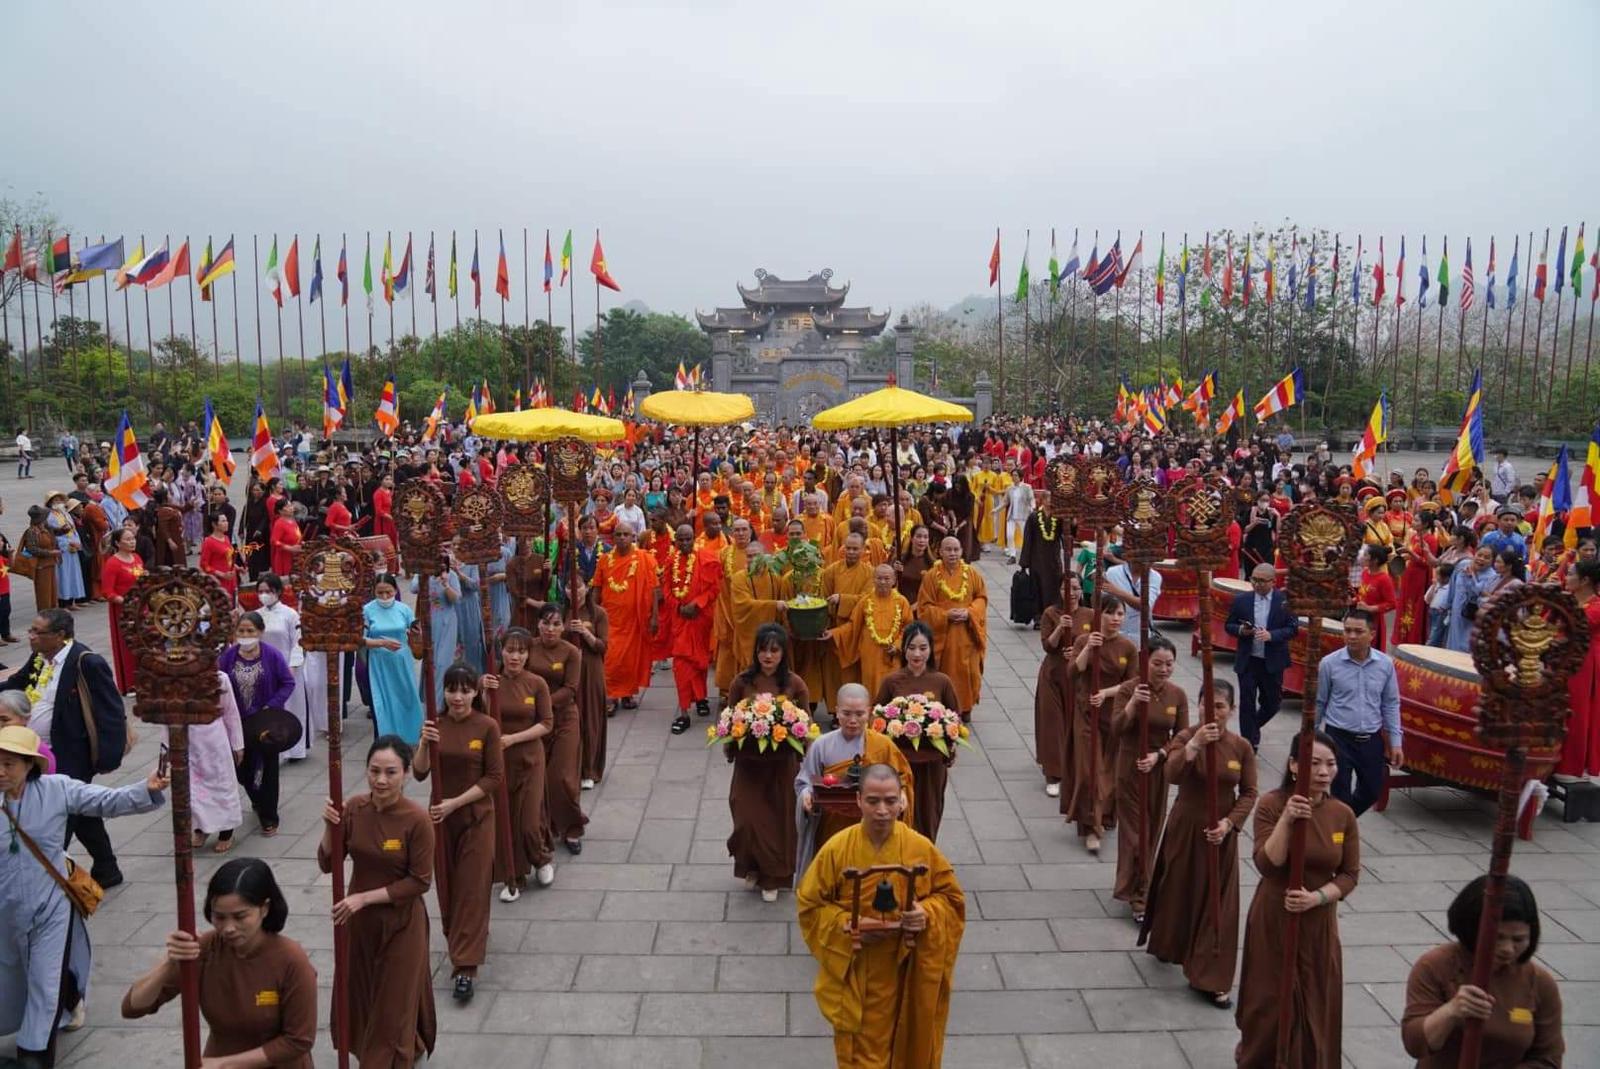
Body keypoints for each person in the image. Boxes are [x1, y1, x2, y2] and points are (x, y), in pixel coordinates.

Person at [1, 725, 168, 1067]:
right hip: (5, 912)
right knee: (11, 977)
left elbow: (106, 801)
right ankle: (66, 1000)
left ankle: (33, 1054)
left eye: (8, 764)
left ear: (30, 765)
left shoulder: (57, 789)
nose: (1, 771)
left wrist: (146, 789)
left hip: (50, 908)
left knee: (45, 981)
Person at [796, 762, 966, 1068]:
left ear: (902, 801)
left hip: (907, 972)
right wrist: (847, 924)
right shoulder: (838, 849)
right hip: (859, 971)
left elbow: (951, 899)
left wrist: (926, 913)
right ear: (858, 800)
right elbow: (810, 904)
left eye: (890, 801)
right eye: (873, 801)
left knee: (909, 1045)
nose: (882, 810)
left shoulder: (919, 848)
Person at [1234, 730, 1360, 1069]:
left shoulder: (1342, 815)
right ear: (1293, 765)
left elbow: (1349, 875)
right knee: (1270, 999)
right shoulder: (1272, 805)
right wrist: (1288, 820)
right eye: (1314, 763)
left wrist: (1316, 898)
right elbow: (1266, 863)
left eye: (1330, 764)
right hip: (1275, 916)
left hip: (1318, 923)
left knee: (1316, 1000)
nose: (1323, 771)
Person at [121, 858, 317, 1068]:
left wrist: (223, 1065)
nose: (229, 928)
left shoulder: (291, 960)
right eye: (220, 917)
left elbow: (298, 1040)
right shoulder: (205, 949)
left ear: (264, 909)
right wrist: (169, 964)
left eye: (240, 916)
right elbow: (133, 1008)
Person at [1139, 679, 1258, 1008]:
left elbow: (1249, 792)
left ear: (1231, 710)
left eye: (1220, 706)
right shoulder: (1185, 737)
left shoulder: (1241, 747)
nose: (1213, 712)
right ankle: (1170, 942)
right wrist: (1193, 746)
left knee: (1219, 905)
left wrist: (1229, 823)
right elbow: (1171, 775)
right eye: (1207, 704)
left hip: (1220, 835)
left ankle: (1210, 976)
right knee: (1177, 888)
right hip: (1186, 827)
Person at [318, 736, 437, 1065]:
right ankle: (402, 1046)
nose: (381, 780)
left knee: (392, 1005)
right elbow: (328, 863)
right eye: (374, 771)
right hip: (359, 924)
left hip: (402, 924)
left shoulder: (417, 820)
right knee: (363, 995)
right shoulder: (355, 808)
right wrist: (329, 828)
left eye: (390, 772)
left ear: (406, 773)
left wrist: (364, 898)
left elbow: (419, 881)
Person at [0, 609, 130, 886]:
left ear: (60, 636)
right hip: (41, 750)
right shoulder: (40, 658)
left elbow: (111, 712)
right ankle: (107, 868)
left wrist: (107, 758)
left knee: (59, 817)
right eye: (31, 630)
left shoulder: (87, 662)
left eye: (38, 632)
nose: (31, 636)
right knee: (79, 810)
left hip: (73, 753)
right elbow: (17, 683)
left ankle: (50, 878)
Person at [1401, 875, 1563, 1067]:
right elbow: (1415, 1044)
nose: (1507, 949)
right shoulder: (1435, 966)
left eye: (1518, 939)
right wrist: (1450, 1012)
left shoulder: (1539, 982)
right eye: (1498, 937)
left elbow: (1548, 1059)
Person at [414, 663, 504, 1004]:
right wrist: (423, 743)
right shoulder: (435, 725)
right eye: (452, 689)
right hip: (441, 821)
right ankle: (462, 937)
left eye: (465, 690)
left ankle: (465, 967)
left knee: (471, 887)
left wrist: (455, 803)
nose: (458, 697)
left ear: (475, 693)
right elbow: (419, 772)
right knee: (448, 887)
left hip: (476, 818)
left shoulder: (487, 726)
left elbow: (493, 778)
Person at [793, 683, 914, 879]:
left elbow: (902, 777)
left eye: (859, 714)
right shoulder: (821, 745)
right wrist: (806, 794)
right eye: (846, 713)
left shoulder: (882, 745)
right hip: (831, 825)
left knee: (871, 876)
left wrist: (901, 793)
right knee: (834, 872)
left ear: (869, 712)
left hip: (873, 824)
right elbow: (805, 781)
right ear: (837, 711)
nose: (853, 720)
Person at [725, 623, 810, 902]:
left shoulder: (795, 684)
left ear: (784, 653)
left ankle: (772, 876)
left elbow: (806, 725)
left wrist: (804, 756)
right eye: (763, 650)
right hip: (749, 765)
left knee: (777, 822)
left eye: (774, 650)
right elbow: (728, 718)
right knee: (746, 817)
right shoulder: (741, 682)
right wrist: (731, 743)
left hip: (781, 766)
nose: (768, 656)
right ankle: (750, 864)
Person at [1109, 635, 1189, 922]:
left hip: (1158, 769)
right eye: (1157, 663)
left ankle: (1139, 885)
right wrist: (1132, 704)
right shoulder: (1129, 689)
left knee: (1152, 831)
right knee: (1136, 836)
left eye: (1169, 664)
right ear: (1145, 663)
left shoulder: (1177, 695)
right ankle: (1141, 897)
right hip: (1130, 767)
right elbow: (1116, 728)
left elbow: (1181, 736)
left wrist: (1160, 755)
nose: (1164, 669)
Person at [480, 628, 555, 899]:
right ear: (501, 652)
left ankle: (541, 858)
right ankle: (514, 875)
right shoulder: (492, 682)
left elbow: (546, 724)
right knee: (505, 820)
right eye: (510, 650)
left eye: (521, 651)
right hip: (501, 762)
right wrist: (484, 692)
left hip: (530, 758)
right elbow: (484, 718)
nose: (515, 657)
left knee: (528, 821)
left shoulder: (537, 684)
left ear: (528, 654)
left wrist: (513, 739)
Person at [873, 622, 962, 841]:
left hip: (932, 764)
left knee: (929, 811)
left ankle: (926, 851)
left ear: (931, 649)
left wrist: (950, 744)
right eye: (912, 648)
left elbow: (955, 719)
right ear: (904, 649)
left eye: (923, 648)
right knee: (899, 812)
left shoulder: (942, 681)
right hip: (900, 763)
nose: (917, 654)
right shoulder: (892, 681)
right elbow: (876, 717)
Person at [1315, 608, 1402, 816]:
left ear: (1372, 634)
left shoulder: (1385, 665)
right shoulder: (1329, 664)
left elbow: (1390, 704)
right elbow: (1320, 702)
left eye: (1358, 631)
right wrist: (1310, 738)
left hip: (1371, 739)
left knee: (1372, 790)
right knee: (1340, 795)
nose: (1352, 636)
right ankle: (1340, 829)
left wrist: (1396, 742)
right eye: (1347, 631)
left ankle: (1340, 822)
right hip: (1338, 738)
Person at [1066, 600, 1137, 853]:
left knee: (1110, 772)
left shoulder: (1128, 647)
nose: (1115, 618)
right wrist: (1088, 648)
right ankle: (1091, 827)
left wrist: (1107, 693)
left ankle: (1104, 815)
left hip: (1114, 716)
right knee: (1090, 771)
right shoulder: (1084, 640)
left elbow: (1132, 684)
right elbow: (1072, 672)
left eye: (1120, 614)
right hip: (1087, 714)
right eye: (1110, 613)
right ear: (1100, 615)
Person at [219, 612, 297, 837]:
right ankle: (256, 797)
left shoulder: (272, 655)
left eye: (250, 631)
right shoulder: (228, 657)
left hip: (265, 723)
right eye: (241, 631)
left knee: (268, 769)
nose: (246, 635)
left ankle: (269, 816)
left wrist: (271, 705)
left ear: (260, 632)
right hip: (237, 723)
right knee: (242, 769)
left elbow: (287, 682)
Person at [526, 605, 587, 853]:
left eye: (556, 624)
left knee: (562, 776)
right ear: (538, 624)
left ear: (563, 626)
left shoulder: (571, 652)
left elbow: (571, 689)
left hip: (564, 718)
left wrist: (544, 703)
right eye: (546, 623)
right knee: (539, 779)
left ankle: (573, 828)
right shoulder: (527, 647)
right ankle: (548, 825)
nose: (550, 629)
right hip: (535, 722)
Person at [913, 536, 989, 720]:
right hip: (944, 639)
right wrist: (945, 615)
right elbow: (924, 607)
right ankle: (944, 709)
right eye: (948, 549)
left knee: (970, 673)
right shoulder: (932, 576)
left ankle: (966, 707)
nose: (952, 553)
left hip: (968, 634)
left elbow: (982, 598)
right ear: (940, 552)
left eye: (956, 549)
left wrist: (970, 612)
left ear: (962, 551)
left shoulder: (972, 574)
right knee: (945, 674)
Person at [1224, 563, 1298, 750]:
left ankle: (1253, 727)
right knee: (1247, 702)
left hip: (1272, 661)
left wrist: (1271, 635)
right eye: (1254, 579)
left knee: (1272, 703)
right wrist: (1241, 630)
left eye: (1262, 581)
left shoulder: (1284, 601)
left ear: (1273, 582)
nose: (1257, 584)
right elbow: (1229, 625)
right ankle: (1248, 744)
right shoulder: (1242, 600)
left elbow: (1293, 628)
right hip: (1248, 660)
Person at [1035, 574, 1094, 797]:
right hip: (1053, 675)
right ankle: (1054, 774)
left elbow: (1096, 645)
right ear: (1059, 591)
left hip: (1078, 677)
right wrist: (1060, 628)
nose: (1072, 593)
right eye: (1066, 588)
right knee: (1053, 724)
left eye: (1076, 588)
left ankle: (1075, 767)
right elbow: (1047, 645)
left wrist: (1079, 652)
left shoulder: (1090, 615)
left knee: (1076, 723)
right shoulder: (1051, 613)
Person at [663, 522, 722, 735]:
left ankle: (701, 698)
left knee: (700, 663)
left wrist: (696, 604)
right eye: (681, 539)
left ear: (694, 539)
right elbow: (666, 590)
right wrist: (679, 607)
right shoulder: (670, 561)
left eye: (688, 539)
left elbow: (714, 588)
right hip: (680, 620)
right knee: (681, 666)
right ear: (675, 541)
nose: (685, 543)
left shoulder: (706, 558)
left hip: (700, 618)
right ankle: (684, 713)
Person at [826, 563, 914, 702]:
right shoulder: (865, 601)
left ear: (893, 580)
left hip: (892, 656)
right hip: (870, 655)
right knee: (870, 689)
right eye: (879, 578)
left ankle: (891, 715)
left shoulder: (902, 602)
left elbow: (908, 628)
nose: (882, 582)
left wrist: (897, 645)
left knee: (892, 688)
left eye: (886, 578)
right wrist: (834, 633)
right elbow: (853, 625)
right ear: (873, 580)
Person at [594, 525, 658, 713]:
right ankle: (611, 696)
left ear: (633, 537)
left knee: (630, 660)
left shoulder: (645, 559)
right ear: (613, 538)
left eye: (626, 534)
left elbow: (654, 589)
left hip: (635, 620)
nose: (622, 538)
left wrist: (654, 617)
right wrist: (592, 614)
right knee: (611, 658)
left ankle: (627, 694)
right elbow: (597, 589)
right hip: (610, 619)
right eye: (618, 535)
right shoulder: (604, 560)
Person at [184, 669, 245, 854]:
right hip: (188, 739)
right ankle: (201, 828)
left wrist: (237, 744)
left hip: (214, 739)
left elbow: (231, 713)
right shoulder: (173, 679)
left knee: (221, 785)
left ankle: (226, 831)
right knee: (194, 789)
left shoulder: (220, 678)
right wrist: (167, 748)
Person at [364, 572, 423, 746]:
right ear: (374, 592)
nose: (384, 596)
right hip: (379, 663)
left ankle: (410, 739)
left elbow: (414, 630)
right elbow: (360, 639)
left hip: (401, 661)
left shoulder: (403, 609)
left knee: (407, 699)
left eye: (388, 592)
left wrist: (416, 634)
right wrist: (382, 643)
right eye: (380, 593)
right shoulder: (367, 610)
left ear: (395, 590)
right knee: (383, 702)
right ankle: (386, 740)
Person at [566, 576, 610, 790]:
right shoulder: (562, 613)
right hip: (569, 672)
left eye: (578, 586)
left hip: (591, 671)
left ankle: (590, 769)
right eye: (569, 587)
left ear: (586, 588)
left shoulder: (598, 613)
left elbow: (602, 646)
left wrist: (585, 632)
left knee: (591, 718)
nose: (574, 591)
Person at [1559, 559, 1600, 782]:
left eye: (1570, 574)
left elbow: (1574, 626)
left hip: (1584, 663)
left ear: (1584, 580)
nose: (1566, 578)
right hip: (1562, 658)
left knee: (1575, 710)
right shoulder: (1568, 600)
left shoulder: (1596, 607)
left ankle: (1571, 764)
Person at [98, 527, 145, 695]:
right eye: (128, 539)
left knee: (144, 644)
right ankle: (130, 683)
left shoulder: (137, 558)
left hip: (142, 609)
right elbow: (107, 592)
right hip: (124, 611)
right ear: (117, 543)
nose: (132, 542)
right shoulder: (113, 563)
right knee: (128, 647)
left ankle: (145, 680)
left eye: (133, 538)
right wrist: (125, 601)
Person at [1100, 558, 1162, 642]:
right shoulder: (1113, 572)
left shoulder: (1154, 577)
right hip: (1114, 633)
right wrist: (1096, 586)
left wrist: (1117, 591)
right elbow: (1100, 603)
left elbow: (1145, 606)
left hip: (1140, 635)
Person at [44, 494, 86, 609]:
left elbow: (73, 530)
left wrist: (77, 543)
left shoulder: (65, 513)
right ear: (50, 502)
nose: (59, 502)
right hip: (63, 549)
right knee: (64, 576)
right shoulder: (49, 516)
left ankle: (71, 600)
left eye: (60, 500)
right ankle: (63, 602)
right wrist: (67, 544)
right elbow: (53, 534)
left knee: (73, 575)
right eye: (55, 500)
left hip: (72, 548)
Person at [1356, 545, 1399, 651]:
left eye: (1366, 555)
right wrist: (1353, 600)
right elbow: (1362, 595)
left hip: (1373, 621)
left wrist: (1371, 608)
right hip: (1360, 616)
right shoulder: (1365, 573)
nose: (1363, 557)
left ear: (1375, 560)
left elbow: (1392, 603)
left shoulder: (1384, 579)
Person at [199, 510, 240, 602]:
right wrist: (222, 574)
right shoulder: (209, 542)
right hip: (219, 581)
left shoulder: (226, 538)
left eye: (226, 520)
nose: (227, 523)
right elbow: (204, 565)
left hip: (231, 578)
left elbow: (228, 558)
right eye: (223, 521)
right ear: (214, 524)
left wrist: (237, 567)